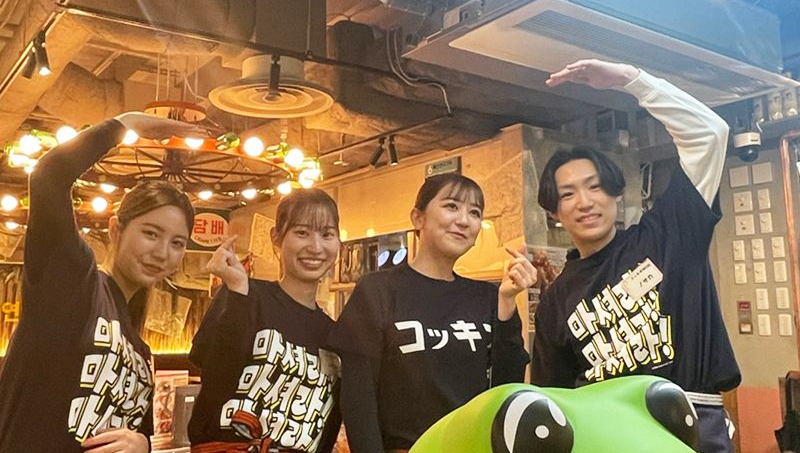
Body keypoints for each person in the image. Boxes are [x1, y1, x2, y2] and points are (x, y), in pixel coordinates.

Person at [531, 59, 740, 453]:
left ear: (616, 194)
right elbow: (553, 404)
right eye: (568, 194)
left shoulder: (668, 235)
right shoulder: (555, 301)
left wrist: (633, 81)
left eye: (595, 187)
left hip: (692, 426)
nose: (585, 202)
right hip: (609, 436)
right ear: (554, 212)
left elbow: (710, 134)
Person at [0, 112, 198, 453]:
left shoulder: (141, 350)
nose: (162, 252)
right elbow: (49, 176)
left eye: (177, 243)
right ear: (116, 229)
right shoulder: (75, 281)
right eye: (151, 233)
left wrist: (143, 443)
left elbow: (136, 432)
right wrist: (125, 124)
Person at [329, 173, 537, 453]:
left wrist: (508, 300)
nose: (464, 220)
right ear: (418, 218)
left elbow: (505, 388)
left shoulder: (487, 296)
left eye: (474, 212)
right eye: (451, 206)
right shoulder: (377, 290)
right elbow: (359, 398)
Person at [188, 188, 342, 453]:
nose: (316, 247)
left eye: (327, 234)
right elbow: (214, 376)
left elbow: (328, 425)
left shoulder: (334, 335)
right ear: (276, 238)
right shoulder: (246, 294)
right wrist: (237, 292)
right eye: (302, 232)